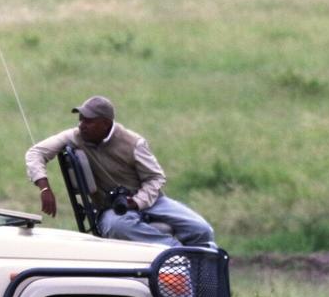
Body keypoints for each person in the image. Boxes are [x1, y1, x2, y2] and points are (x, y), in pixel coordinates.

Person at [25, 95, 216, 249]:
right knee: (118, 226)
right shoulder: (75, 136)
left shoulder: (133, 142)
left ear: (106, 124)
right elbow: (36, 153)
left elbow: (155, 178)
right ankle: (175, 254)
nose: (82, 124)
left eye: (89, 121)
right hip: (110, 208)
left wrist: (137, 201)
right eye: (81, 119)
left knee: (202, 230)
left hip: (150, 201)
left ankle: (202, 271)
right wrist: (44, 188)